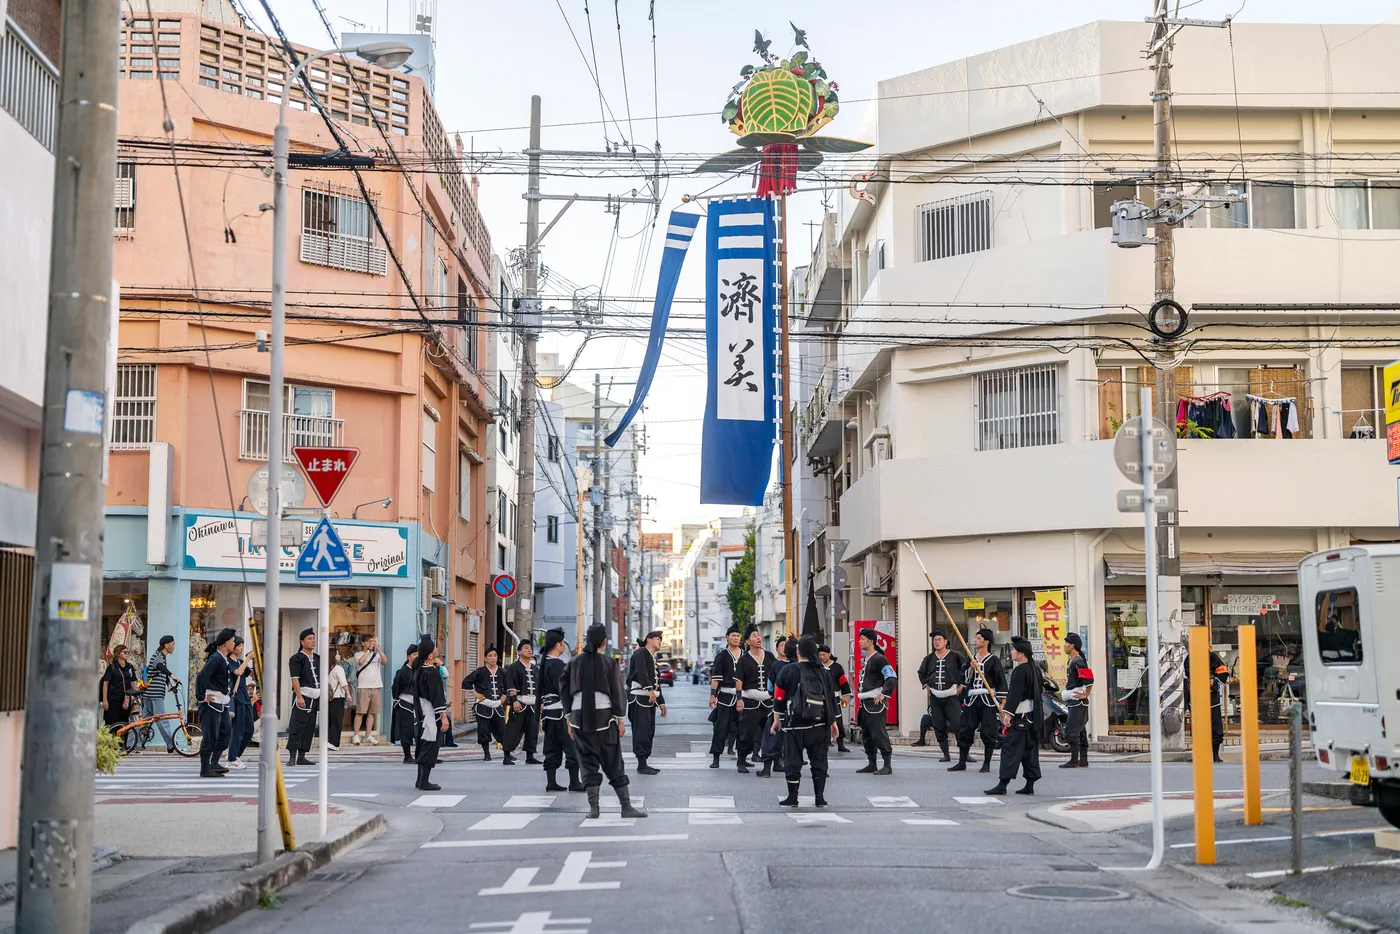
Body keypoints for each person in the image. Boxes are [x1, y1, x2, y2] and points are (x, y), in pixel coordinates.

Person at [561, 623, 646, 820]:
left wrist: (568, 718)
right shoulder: (608, 663)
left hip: (579, 719)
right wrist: (620, 720)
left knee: (587, 762)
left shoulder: (573, 662)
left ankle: (594, 809)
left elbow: (563, 689)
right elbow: (617, 692)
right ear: (603, 642)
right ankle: (626, 807)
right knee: (614, 762)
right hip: (604, 719)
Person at [773, 635, 839, 808]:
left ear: (798, 651)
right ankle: (819, 797)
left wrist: (776, 720)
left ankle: (793, 797)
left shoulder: (788, 670)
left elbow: (779, 697)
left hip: (794, 725)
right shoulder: (823, 671)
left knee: (792, 761)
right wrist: (833, 722)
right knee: (819, 761)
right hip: (819, 724)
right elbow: (830, 699)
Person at [985, 638, 1043, 796]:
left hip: (1020, 717)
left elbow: (1015, 695)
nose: (1011, 652)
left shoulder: (1020, 670)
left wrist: (1008, 715)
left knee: (1010, 750)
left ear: (1021, 653)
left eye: (1013, 650)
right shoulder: (1035, 669)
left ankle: (1002, 785)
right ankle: (1029, 785)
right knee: (1029, 752)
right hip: (1032, 717)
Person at [951, 628, 1007, 774]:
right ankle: (962, 762)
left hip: (987, 699)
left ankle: (986, 763)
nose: (975, 641)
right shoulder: (971, 658)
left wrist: (1002, 702)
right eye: (975, 638)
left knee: (988, 731)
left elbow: (1001, 680)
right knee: (965, 729)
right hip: (972, 698)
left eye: (978, 638)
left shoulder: (993, 660)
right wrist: (971, 669)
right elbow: (963, 678)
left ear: (986, 642)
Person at [539, 627, 584, 792]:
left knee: (552, 747)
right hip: (561, 712)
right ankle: (574, 782)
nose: (564, 646)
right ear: (558, 645)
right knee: (572, 747)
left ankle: (551, 782)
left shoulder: (544, 663)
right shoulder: (557, 664)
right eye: (563, 643)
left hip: (548, 713)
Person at [916, 630, 966, 761]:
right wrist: (926, 685)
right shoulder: (929, 658)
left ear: (945, 642)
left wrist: (962, 685)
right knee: (938, 725)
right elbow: (921, 673)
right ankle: (945, 754)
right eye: (934, 640)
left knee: (958, 724)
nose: (936, 642)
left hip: (951, 695)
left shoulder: (956, 656)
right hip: (935, 696)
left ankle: (964, 754)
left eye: (939, 639)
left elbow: (965, 670)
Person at [195, 628, 237, 778]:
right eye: (233, 641)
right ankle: (205, 768)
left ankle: (214, 762)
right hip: (211, 703)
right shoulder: (216, 658)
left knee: (225, 733)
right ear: (226, 643)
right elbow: (201, 677)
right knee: (210, 736)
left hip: (222, 703)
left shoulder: (223, 658)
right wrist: (201, 697)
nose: (234, 643)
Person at [855, 629, 898, 775]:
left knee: (879, 733)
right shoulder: (866, 659)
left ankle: (887, 765)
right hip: (865, 702)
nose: (860, 641)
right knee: (866, 734)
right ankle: (872, 763)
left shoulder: (880, 658)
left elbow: (891, 677)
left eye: (862, 639)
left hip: (875, 703)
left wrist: (883, 694)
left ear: (871, 641)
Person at [735, 625, 776, 775]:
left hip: (768, 701)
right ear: (747, 641)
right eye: (754, 636)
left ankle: (771, 764)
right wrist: (739, 699)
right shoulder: (744, 659)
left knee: (772, 733)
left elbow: (776, 675)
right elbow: (739, 681)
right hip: (750, 701)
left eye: (758, 635)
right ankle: (741, 760)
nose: (758, 638)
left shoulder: (769, 656)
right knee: (747, 733)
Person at [625, 630, 667, 775]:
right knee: (641, 731)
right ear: (649, 639)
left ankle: (644, 762)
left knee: (649, 732)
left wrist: (661, 702)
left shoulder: (651, 657)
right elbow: (641, 672)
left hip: (649, 699)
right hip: (639, 698)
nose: (660, 642)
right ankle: (641, 764)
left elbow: (657, 683)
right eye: (657, 639)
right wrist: (649, 689)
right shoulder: (641, 652)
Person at [410, 635, 449, 791]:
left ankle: (420, 780)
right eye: (434, 648)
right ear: (430, 655)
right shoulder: (431, 672)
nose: (437, 649)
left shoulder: (418, 670)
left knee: (423, 745)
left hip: (420, 713)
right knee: (430, 746)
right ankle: (424, 781)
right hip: (430, 714)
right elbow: (437, 696)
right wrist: (444, 717)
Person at [759, 637, 797, 777]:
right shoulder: (804, 667)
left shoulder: (777, 666)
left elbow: (770, 687)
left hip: (779, 707)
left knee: (772, 736)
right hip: (799, 710)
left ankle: (766, 769)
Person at [707, 624, 743, 768]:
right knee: (721, 728)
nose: (736, 638)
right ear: (727, 638)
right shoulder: (721, 656)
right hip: (725, 696)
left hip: (743, 697)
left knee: (743, 729)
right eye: (733, 635)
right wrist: (712, 695)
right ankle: (716, 758)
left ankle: (742, 759)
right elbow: (716, 679)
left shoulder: (745, 655)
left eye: (738, 635)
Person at [1186, 648, 1230, 762]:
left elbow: (1224, 671)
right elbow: (1186, 674)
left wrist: (1213, 681)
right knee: (1197, 728)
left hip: (1212, 699)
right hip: (1196, 697)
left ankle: (1215, 754)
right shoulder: (1190, 658)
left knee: (1216, 727)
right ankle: (1197, 754)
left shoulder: (1212, 657)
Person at [464, 645, 507, 761]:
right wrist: (476, 693)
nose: (492, 658)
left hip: (497, 705)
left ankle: (507, 754)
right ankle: (487, 754)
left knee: (502, 730)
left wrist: (504, 696)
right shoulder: (480, 671)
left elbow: (509, 685)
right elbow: (466, 682)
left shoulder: (503, 672)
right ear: (485, 658)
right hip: (483, 706)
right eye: (490, 656)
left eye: (495, 656)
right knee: (484, 731)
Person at [503, 638, 542, 765]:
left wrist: (541, 702)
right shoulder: (514, 667)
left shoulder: (535, 669)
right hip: (520, 702)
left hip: (533, 704)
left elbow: (539, 687)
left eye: (530, 648)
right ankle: (507, 755)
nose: (529, 650)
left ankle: (530, 756)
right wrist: (514, 701)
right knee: (513, 729)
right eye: (525, 648)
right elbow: (511, 685)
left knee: (532, 730)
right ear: (519, 652)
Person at [287, 628, 321, 767]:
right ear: (302, 641)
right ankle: (292, 757)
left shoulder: (318, 658)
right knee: (297, 726)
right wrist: (299, 696)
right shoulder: (296, 658)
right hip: (304, 696)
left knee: (309, 727)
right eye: (309, 639)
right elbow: (295, 679)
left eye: (313, 638)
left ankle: (302, 756)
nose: (313, 641)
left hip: (315, 697)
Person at [1060, 633, 1094, 769]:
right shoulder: (1072, 661)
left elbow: (1089, 679)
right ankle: (1083, 760)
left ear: (1072, 645)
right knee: (1080, 731)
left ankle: (1074, 760)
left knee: (1071, 731)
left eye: (1066, 643)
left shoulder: (1078, 661)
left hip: (1078, 701)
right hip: (1075, 701)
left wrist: (1086, 694)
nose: (1064, 646)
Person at [141, 634, 180, 752]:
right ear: (166, 645)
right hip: (155, 694)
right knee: (162, 720)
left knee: (143, 722)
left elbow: (160, 672)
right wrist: (172, 675)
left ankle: (130, 744)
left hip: (150, 693)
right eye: (173, 644)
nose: (174, 646)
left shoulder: (161, 656)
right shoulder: (158, 656)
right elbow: (160, 667)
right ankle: (172, 745)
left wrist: (169, 685)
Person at [351, 636, 388, 745]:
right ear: (363, 643)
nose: (371, 644)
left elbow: (385, 661)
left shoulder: (376, 655)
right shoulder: (358, 654)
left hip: (376, 686)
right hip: (363, 687)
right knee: (360, 712)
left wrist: (378, 649)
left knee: (372, 713)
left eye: (372, 642)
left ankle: (368, 735)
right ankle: (356, 735)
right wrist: (368, 650)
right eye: (368, 642)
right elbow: (361, 662)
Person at [226, 637, 255, 770]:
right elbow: (238, 672)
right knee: (238, 729)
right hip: (237, 698)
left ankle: (236, 755)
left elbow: (251, 674)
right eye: (239, 646)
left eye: (242, 646)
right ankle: (232, 758)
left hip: (245, 698)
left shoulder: (240, 661)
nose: (241, 648)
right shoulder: (228, 662)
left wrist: (254, 660)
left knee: (249, 729)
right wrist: (248, 658)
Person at [818, 645, 852, 753]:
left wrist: (845, 696)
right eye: (820, 655)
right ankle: (824, 743)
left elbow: (843, 682)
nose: (822, 657)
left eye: (824, 655)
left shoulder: (837, 667)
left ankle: (840, 744)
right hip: (820, 698)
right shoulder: (817, 666)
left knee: (837, 720)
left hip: (834, 698)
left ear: (829, 654)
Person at [390, 644, 418, 764]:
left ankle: (421, 754)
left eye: (418, 654)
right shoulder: (402, 672)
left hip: (418, 704)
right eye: (414, 654)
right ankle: (407, 756)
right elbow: (395, 688)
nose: (416, 656)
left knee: (420, 730)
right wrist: (396, 700)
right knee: (406, 730)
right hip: (404, 703)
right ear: (408, 657)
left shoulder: (420, 670)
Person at [100, 644, 137, 731]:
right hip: (113, 698)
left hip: (126, 699)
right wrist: (105, 700)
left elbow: (133, 682)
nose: (127, 654)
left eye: (128, 652)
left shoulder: (129, 667)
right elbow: (105, 684)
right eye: (124, 652)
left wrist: (135, 696)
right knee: (111, 722)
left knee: (124, 723)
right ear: (118, 653)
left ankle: (123, 740)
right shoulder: (112, 667)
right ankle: (111, 739)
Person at [326, 646, 350, 751]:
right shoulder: (338, 668)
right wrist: (348, 694)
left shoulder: (327, 668)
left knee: (330, 720)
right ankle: (333, 742)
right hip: (337, 697)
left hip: (328, 698)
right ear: (333, 656)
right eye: (337, 654)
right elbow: (343, 683)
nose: (339, 656)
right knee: (337, 721)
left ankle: (329, 740)